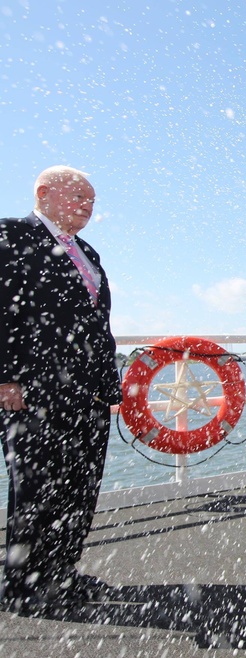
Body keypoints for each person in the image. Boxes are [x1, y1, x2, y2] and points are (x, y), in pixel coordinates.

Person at [0, 166, 121, 616]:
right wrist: (5, 376)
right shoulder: (11, 236)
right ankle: (23, 587)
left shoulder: (86, 251)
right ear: (44, 193)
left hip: (85, 394)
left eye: (92, 202)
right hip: (35, 391)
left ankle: (61, 573)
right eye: (79, 197)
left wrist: (108, 385)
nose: (88, 208)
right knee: (35, 491)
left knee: (79, 486)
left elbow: (96, 325)